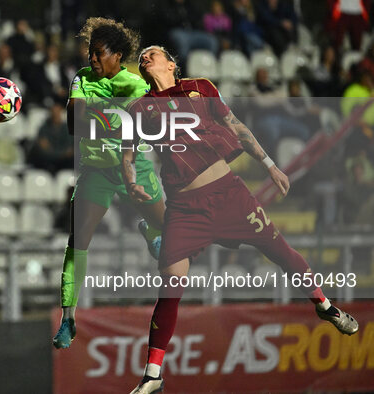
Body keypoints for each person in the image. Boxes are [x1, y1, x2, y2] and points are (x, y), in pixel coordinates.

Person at [125, 45, 359, 394]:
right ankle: (154, 374)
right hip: (185, 207)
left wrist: (269, 165)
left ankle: (324, 305)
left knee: (282, 253)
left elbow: (235, 125)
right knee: (170, 285)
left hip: (230, 196)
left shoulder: (200, 87)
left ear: (172, 64)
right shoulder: (140, 108)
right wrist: (131, 183)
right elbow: (127, 154)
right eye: (143, 55)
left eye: (154, 53)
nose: (146, 56)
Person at [52, 17, 166, 350]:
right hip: (96, 170)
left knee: (169, 229)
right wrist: (116, 122)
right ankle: (67, 319)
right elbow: (75, 123)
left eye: (99, 54)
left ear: (117, 55)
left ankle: (151, 229)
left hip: (134, 166)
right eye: (90, 53)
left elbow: (144, 126)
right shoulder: (82, 79)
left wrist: (101, 119)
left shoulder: (135, 85)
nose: (91, 60)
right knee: (78, 240)